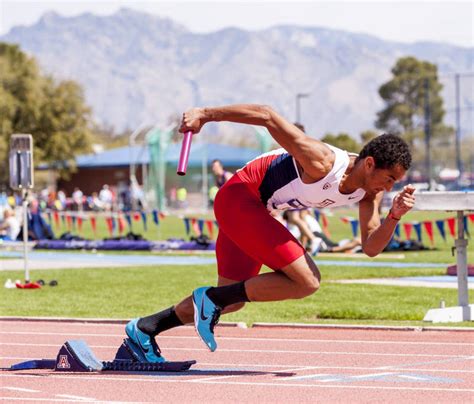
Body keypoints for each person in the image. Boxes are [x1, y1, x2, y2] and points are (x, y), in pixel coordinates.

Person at [125, 104, 415, 362]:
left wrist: (393, 216)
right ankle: (209, 298)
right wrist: (205, 114)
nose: (389, 188)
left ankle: (145, 329)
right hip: (239, 198)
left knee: (231, 299)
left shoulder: (368, 195)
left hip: (254, 211)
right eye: (389, 179)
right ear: (369, 164)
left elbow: (371, 246)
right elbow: (267, 116)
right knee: (307, 281)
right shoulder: (322, 161)